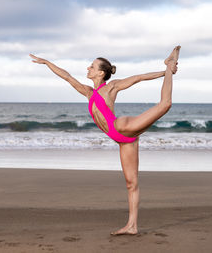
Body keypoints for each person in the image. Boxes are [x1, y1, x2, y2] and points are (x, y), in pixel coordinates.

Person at [29, 46, 180, 235]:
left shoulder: (111, 87)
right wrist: (47, 62)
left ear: (101, 72)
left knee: (165, 104)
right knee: (131, 183)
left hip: (122, 127)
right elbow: (67, 77)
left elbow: (138, 78)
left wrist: (165, 72)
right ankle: (132, 226)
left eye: (91, 66)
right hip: (123, 141)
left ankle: (170, 63)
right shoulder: (88, 92)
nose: (88, 68)